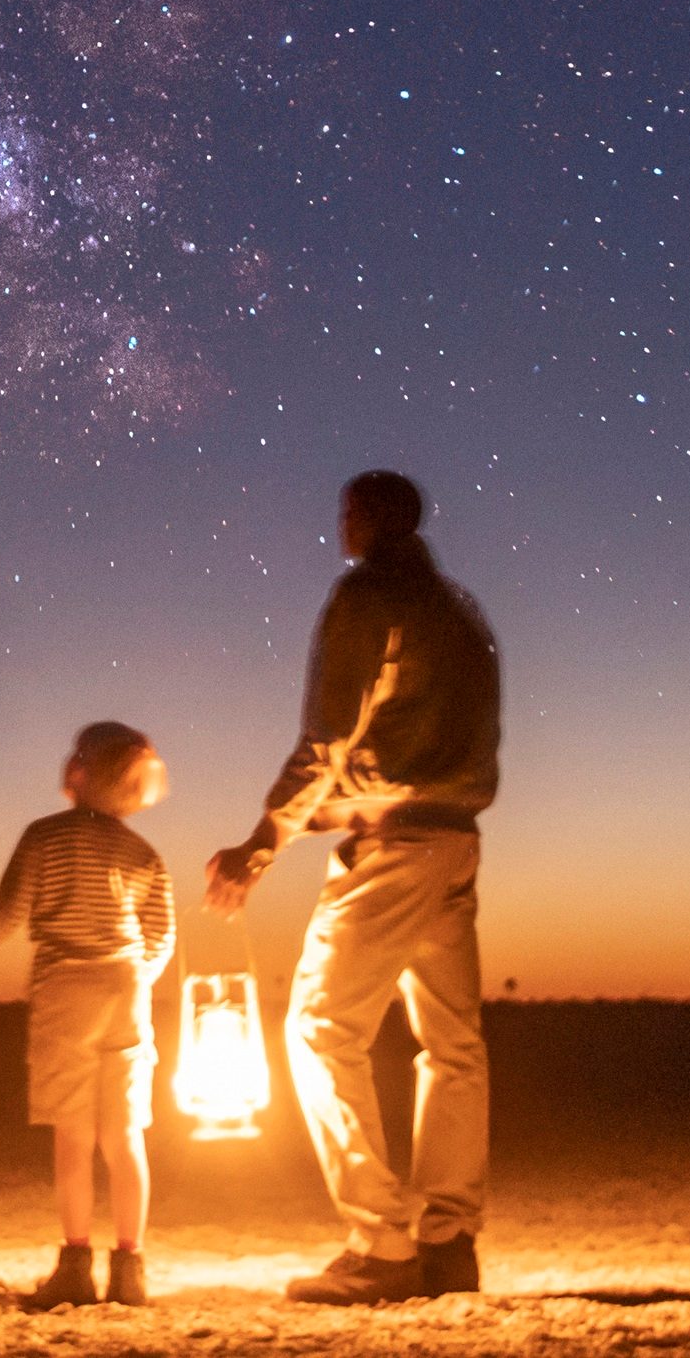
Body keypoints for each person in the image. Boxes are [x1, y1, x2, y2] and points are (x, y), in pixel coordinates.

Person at [202, 468, 502, 1303]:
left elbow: (328, 738)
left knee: (318, 1029)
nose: (340, 524)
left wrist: (263, 842)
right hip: (453, 842)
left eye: (345, 512)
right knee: (452, 1046)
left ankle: (381, 1243)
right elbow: (424, 760)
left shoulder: (366, 598)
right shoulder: (462, 612)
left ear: (367, 519)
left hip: (394, 851)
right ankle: (449, 1242)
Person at [0, 719, 176, 1308]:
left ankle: (75, 1268)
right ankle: (130, 1271)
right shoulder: (142, 852)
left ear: (79, 771)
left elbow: (11, 911)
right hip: (126, 989)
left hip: (65, 988)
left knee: (74, 1137)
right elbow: (161, 936)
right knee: (124, 1135)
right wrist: (131, 978)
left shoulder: (46, 836)